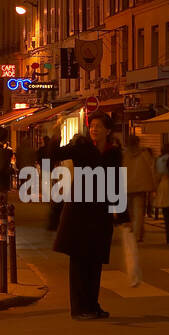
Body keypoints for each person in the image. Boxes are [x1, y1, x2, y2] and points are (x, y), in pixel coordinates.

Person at [52, 114, 122, 320]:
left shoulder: (114, 153)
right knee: (79, 262)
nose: (94, 129)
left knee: (95, 261)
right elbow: (53, 154)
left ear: (108, 130)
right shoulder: (82, 148)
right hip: (79, 213)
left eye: (99, 126)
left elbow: (116, 183)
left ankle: (92, 304)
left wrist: (122, 214)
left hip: (100, 214)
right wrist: (57, 131)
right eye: (92, 126)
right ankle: (79, 308)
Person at [122, 135, 157, 242]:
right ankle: (138, 234)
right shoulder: (144, 153)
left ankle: (136, 231)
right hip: (141, 186)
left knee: (131, 211)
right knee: (139, 211)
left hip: (127, 186)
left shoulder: (123, 155)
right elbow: (152, 168)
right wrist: (154, 185)